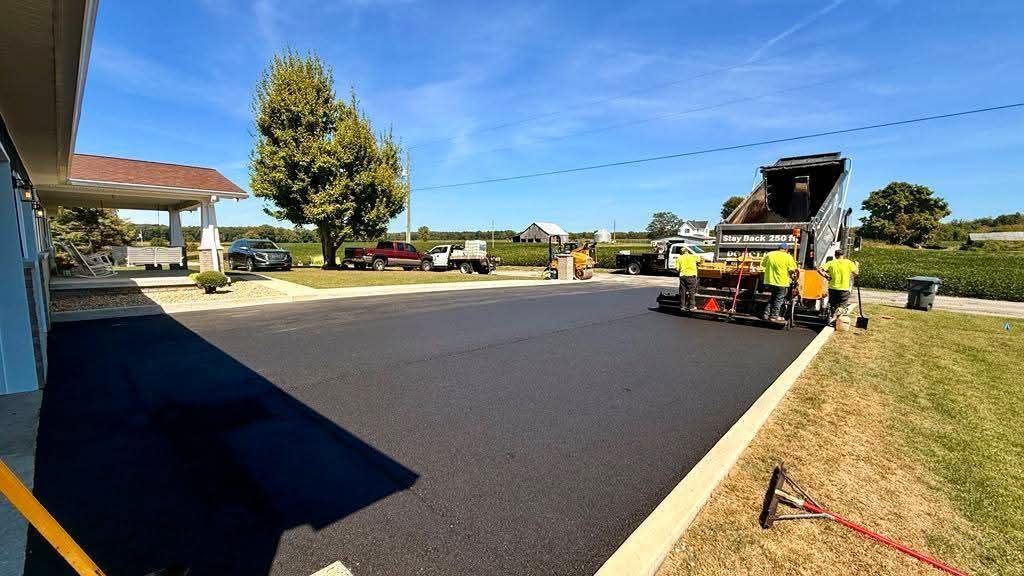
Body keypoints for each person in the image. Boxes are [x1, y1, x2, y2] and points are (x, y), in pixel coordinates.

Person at [760, 243, 798, 321]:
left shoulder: (770, 254)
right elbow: (791, 270)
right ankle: (774, 316)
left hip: (770, 281)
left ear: (778, 248)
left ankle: (766, 314)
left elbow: (763, 265)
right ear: (786, 249)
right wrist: (792, 277)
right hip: (781, 282)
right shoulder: (788, 257)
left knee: (773, 297)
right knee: (778, 299)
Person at [819, 250, 860, 314]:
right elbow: (856, 273)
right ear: (843, 255)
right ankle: (837, 319)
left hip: (832, 288)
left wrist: (827, 277)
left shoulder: (831, 263)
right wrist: (857, 265)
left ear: (835, 255)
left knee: (832, 305)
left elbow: (819, 270)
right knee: (842, 306)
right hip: (844, 289)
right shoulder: (848, 263)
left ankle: (831, 317)